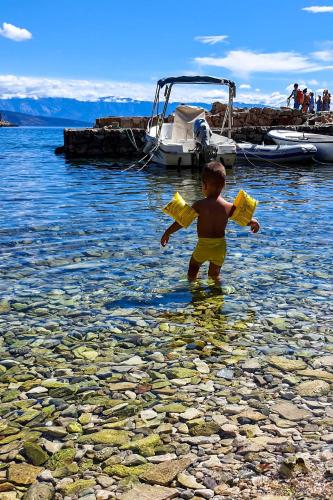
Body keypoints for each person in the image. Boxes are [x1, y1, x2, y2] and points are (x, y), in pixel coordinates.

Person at [160, 162, 260, 281]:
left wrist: (168, 232)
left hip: (203, 246)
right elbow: (242, 219)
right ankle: (217, 295)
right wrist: (253, 222)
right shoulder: (229, 207)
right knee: (214, 275)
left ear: (204, 186)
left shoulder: (199, 205)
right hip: (220, 247)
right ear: (224, 185)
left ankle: (195, 292)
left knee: (193, 268)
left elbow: (182, 221)